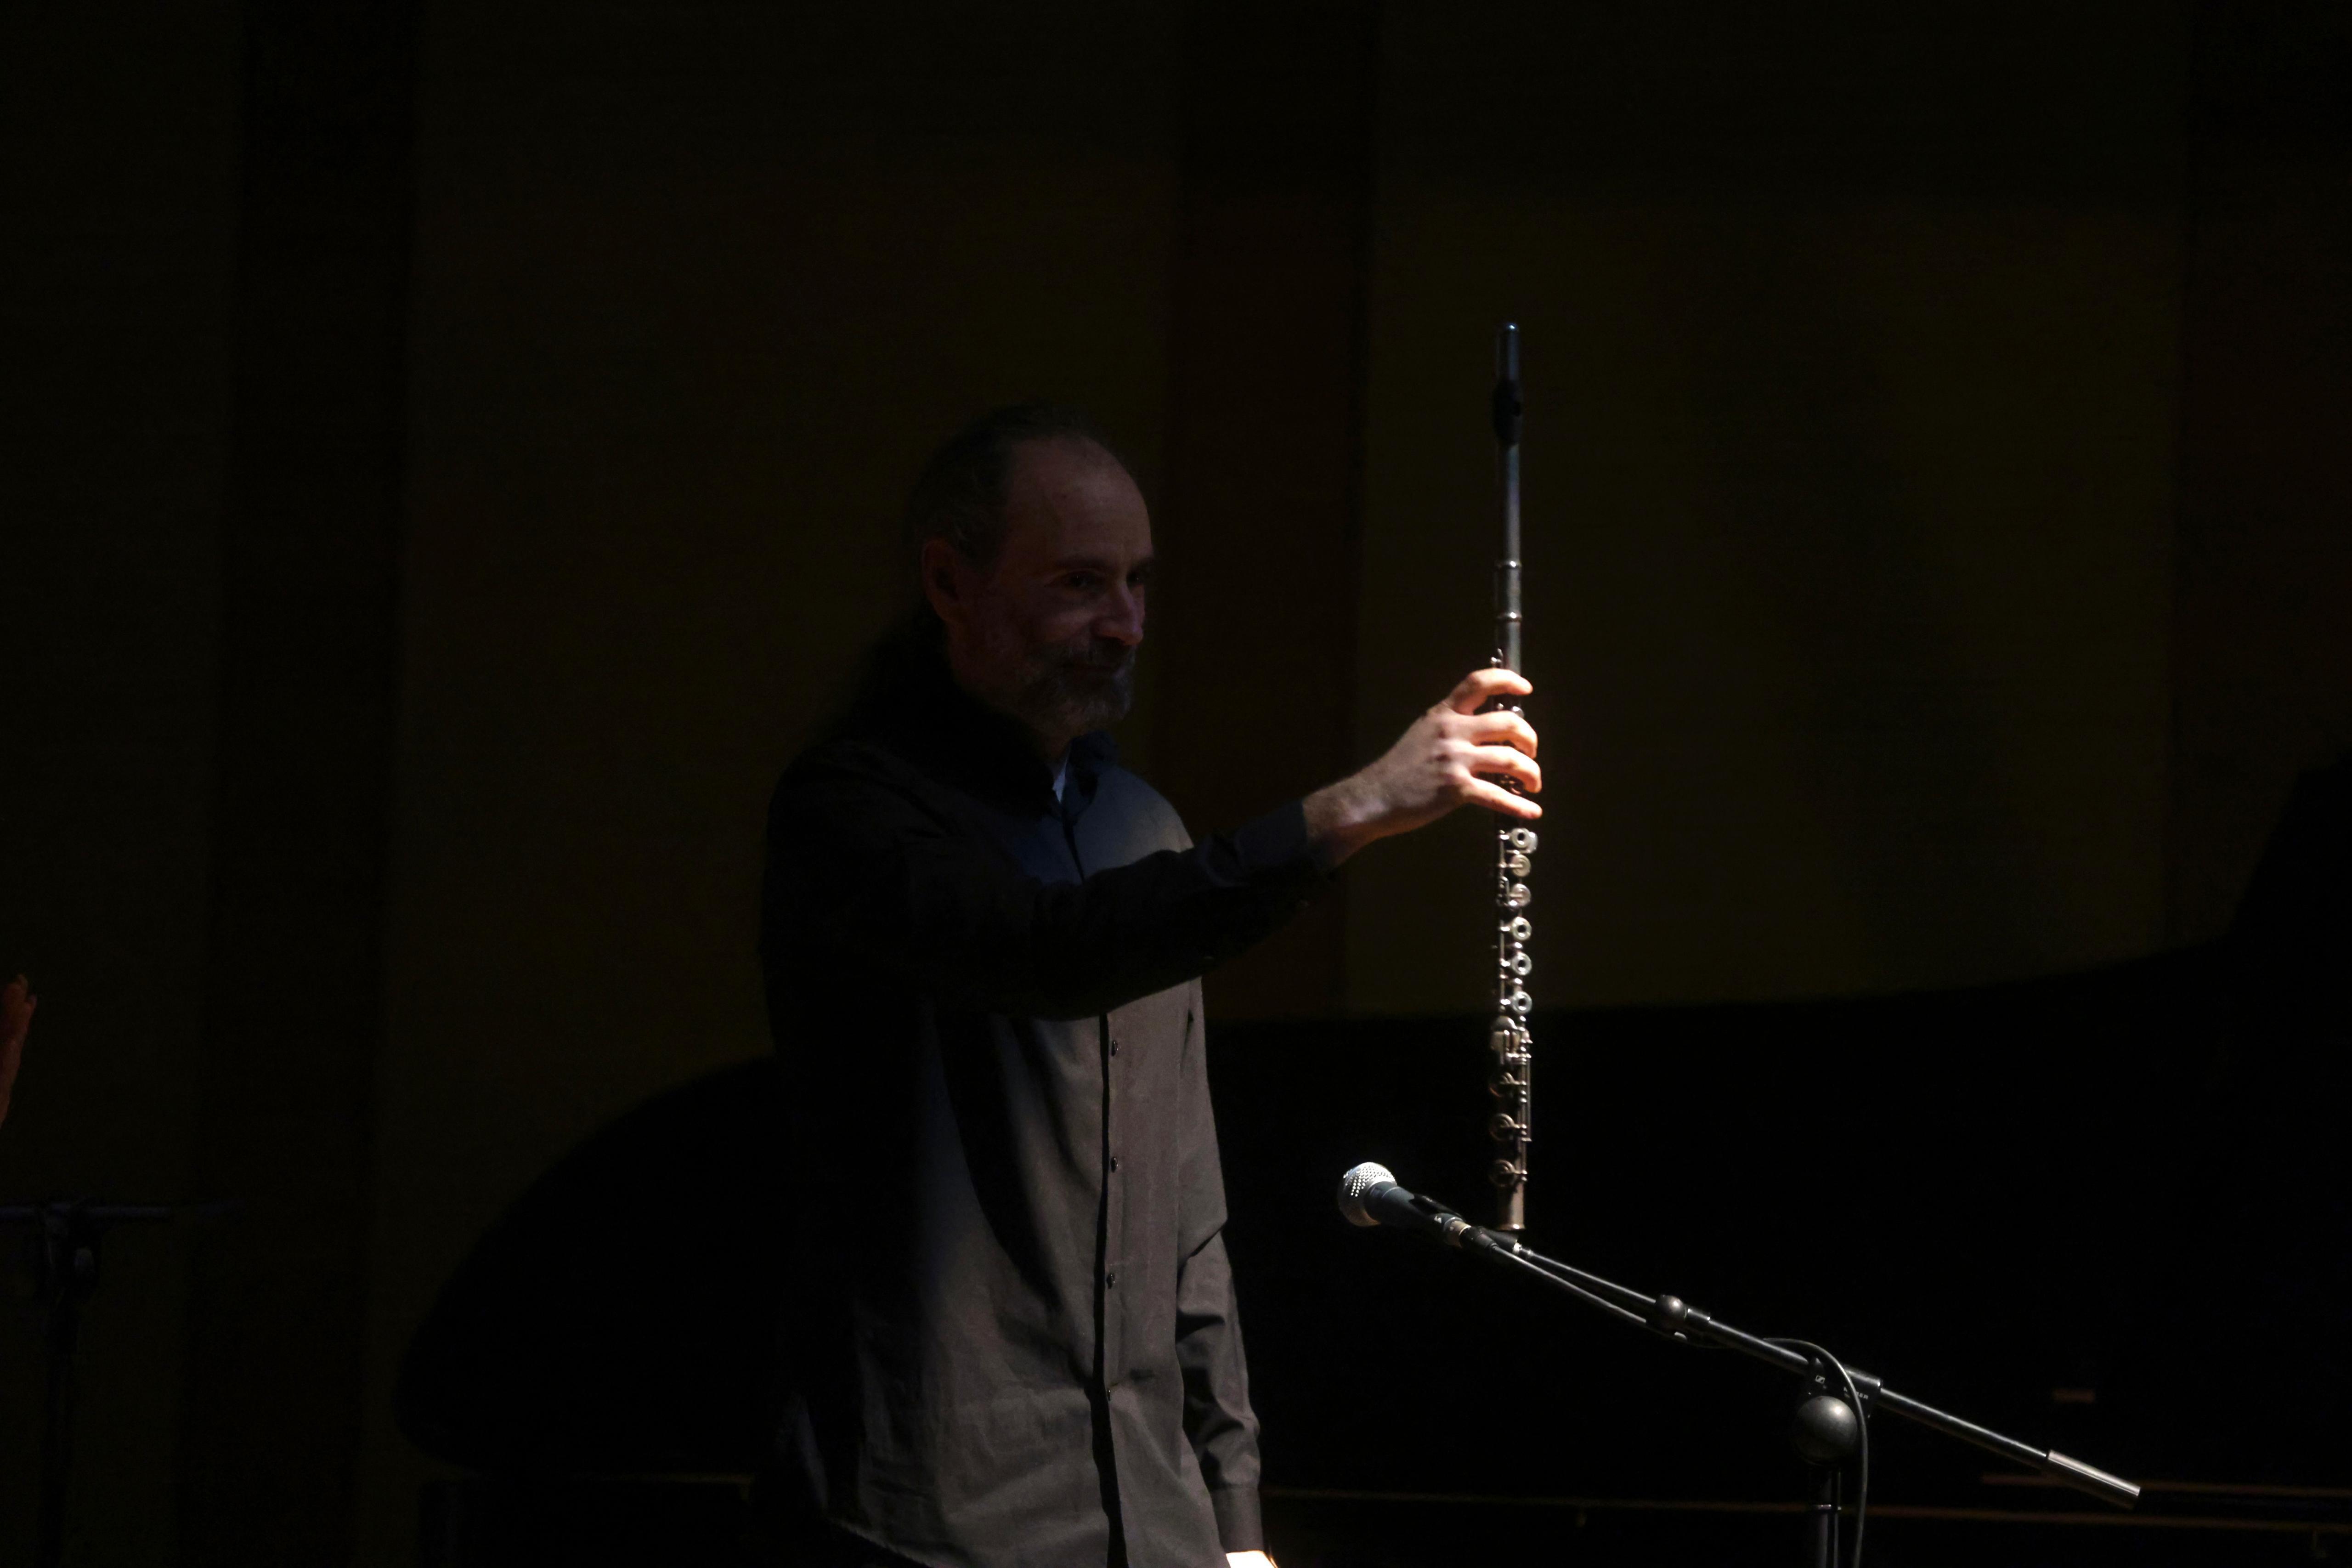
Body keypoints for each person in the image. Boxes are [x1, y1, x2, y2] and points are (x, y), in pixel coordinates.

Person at [758, 405, 1541, 1568]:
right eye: (1080, 583)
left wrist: (1230, 1518)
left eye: (1137, 584)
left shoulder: (1140, 829)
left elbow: (1186, 1212)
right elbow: (1048, 952)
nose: (1124, 625)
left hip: (1154, 1518)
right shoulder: (853, 812)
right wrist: (1355, 807)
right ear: (948, 582)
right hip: (934, 1522)